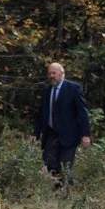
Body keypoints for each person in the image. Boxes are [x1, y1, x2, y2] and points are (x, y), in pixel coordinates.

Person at [35, 62, 90, 190]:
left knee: (66, 165)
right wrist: (36, 133)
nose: (51, 76)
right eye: (49, 73)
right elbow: (41, 113)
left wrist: (86, 135)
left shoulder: (73, 88)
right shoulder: (47, 91)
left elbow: (83, 113)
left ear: (62, 73)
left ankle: (69, 192)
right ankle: (58, 191)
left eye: (54, 73)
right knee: (50, 163)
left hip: (69, 134)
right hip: (51, 133)